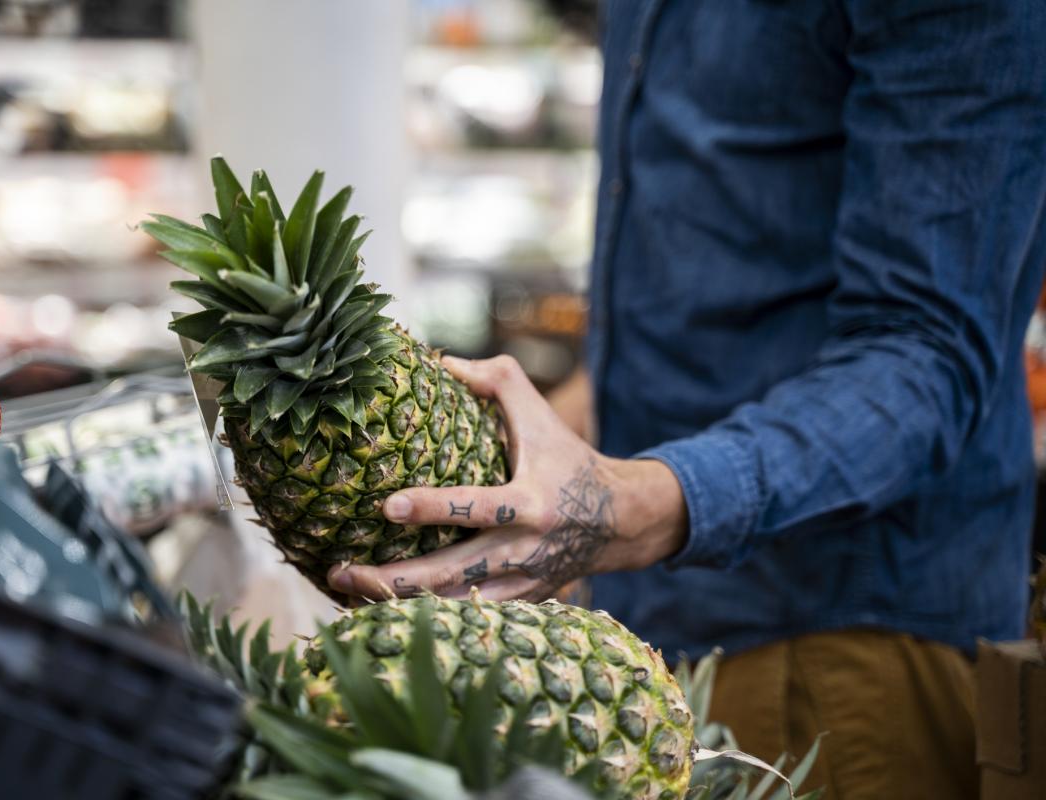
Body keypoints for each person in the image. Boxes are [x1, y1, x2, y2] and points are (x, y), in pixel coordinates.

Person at [328, 2, 1046, 798]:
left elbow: (930, 350)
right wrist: (512, 448)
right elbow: (716, 274)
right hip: (645, 624)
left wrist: (628, 504)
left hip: (840, 642)